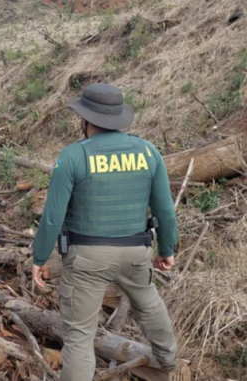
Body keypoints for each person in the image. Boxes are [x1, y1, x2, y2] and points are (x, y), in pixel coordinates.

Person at [30, 83, 178, 380]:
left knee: (79, 336)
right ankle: (168, 361)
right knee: (148, 303)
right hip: (136, 251)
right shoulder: (148, 152)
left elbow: (52, 217)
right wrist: (167, 249)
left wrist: (39, 256)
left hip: (87, 257)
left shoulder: (72, 156)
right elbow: (165, 211)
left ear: (85, 119)